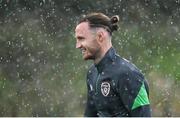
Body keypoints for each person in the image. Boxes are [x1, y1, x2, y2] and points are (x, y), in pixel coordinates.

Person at [74, 12, 151, 117]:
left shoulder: (129, 74)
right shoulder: (92, 73)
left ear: (100, 36)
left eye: (81, 38)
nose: (77, 46)